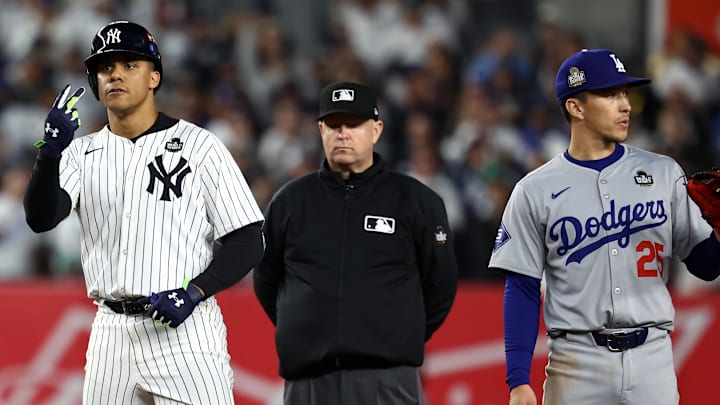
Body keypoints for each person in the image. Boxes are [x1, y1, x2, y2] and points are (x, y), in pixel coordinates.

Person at [23, 20, 265, 404]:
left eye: (129, 64)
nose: (115, 74)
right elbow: (41, 218)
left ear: (154, 77)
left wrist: (196, 292)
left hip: (184, 332)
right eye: (106, 67)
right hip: (110, 331)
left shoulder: (200, 146)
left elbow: (249, 238)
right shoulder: (80, 154)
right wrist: (48, 155)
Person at [489, 48, 720, 405]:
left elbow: (706, 265)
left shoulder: (663, 173)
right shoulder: (535, 189)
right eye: (610, 94)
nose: (625, 105)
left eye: (626, 94)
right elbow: (521, 287)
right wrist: (518, 379)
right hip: (576, 361)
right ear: (575, 107)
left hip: (652, 358)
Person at [253, 81, 458, 405]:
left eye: (354, 124)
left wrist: (395, 338)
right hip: (308, 380)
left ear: (376, 130)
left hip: (387, 377)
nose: (342, 133)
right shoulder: (289, 202)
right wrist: (305, 330)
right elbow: (267, 282)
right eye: (333, 125)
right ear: (320, 130)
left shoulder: (416, 201)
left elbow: (441, 285)